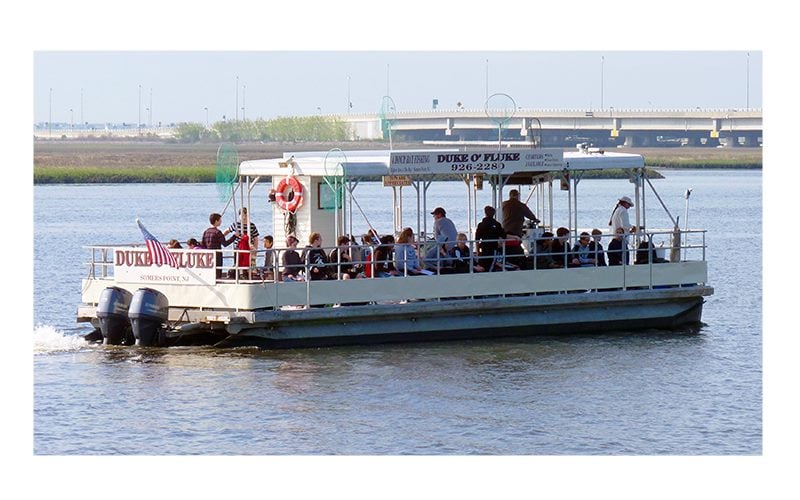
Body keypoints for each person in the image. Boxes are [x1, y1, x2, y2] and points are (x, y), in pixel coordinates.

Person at [202, 212, 234, 278]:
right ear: (216, 221)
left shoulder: (206, 232)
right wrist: (234, 237)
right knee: (218, 272)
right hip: (217, 254)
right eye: (220, 220)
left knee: (210, 271)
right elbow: (225, 244)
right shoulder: (218, 232)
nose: (221, 222)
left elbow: (203, 244)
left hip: (209, 255)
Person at [475, 205, 506, 271]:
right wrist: (499, 243)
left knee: (482, 267)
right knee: (490, 267)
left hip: (483, 249)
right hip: (493, 249)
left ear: (485, 213)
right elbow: (503, 236)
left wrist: (477, 251)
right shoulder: (497, 224)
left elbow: (477, 239)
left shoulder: (481, 225)